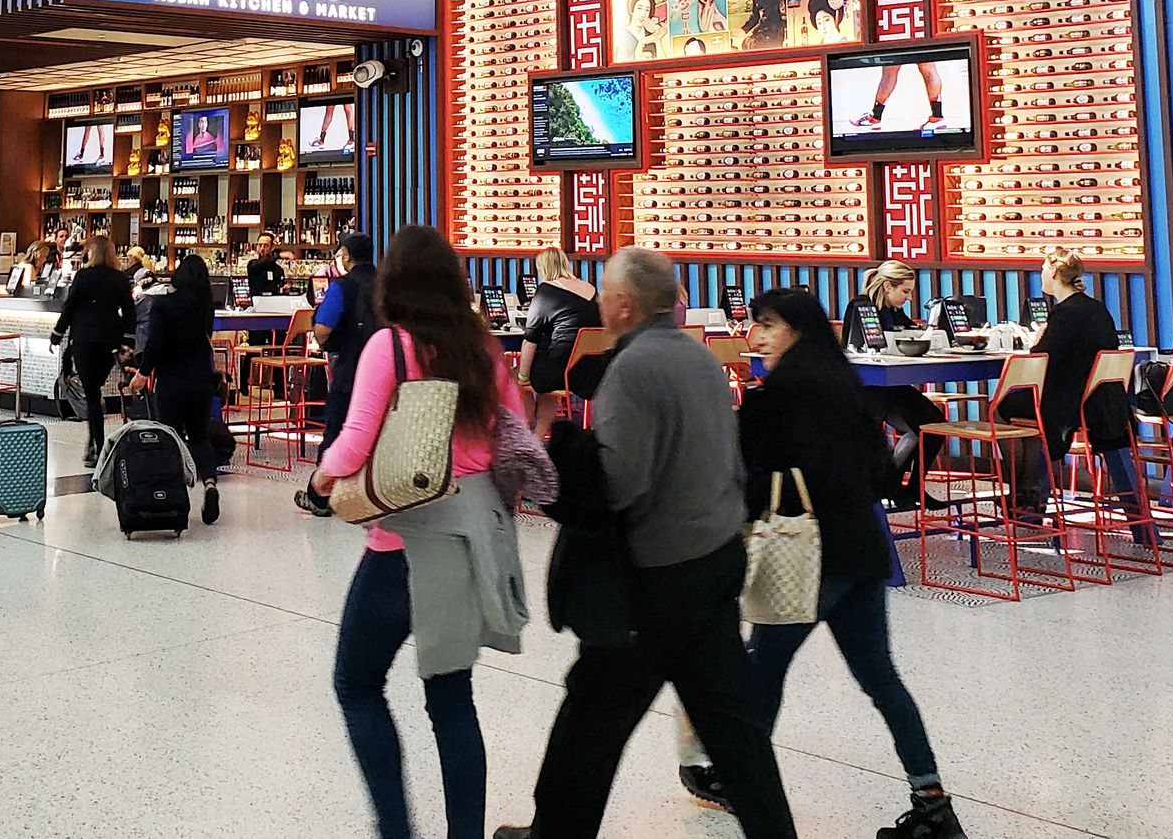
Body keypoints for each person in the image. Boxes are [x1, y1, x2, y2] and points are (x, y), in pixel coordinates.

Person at [493, 247, 797, 839]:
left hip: (652, 582)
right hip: (712, 563)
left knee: (589, 726)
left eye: (605, 292)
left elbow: (620, 482)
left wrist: (553, 472)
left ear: (624, 306)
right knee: (735, 733)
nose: (599, 300)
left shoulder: (631, 369)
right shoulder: (701, 360)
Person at [316, 225, 526, 839]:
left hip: (401, 546)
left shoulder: (393, 346)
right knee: (451, 698)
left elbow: (355, 440)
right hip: (467, 547)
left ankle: (396, 830)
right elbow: (512, 431)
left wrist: (323, 481)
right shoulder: (482, 348)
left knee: (356, 683)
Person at [734, 288, 962, 837]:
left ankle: (746, 793)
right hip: (862, 551)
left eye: (767, 324)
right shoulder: (850, 387)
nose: (754, 335)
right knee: (881, 679)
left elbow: (747, 484)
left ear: (797, 331)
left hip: (805, 558)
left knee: (759, 677)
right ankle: (933, 804)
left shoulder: (773, 398)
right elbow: (885, 476)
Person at [1016, 250, 1150, 542]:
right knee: (1026, 413)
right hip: (1107, 406)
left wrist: (1037, 340)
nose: (1040, 274)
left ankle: (1026, 496)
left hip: (1069, 406)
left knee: (1004, 409)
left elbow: (1041, 359)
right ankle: (1029, 498)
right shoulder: (1098, 309)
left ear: (1053, 273)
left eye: (1042, 268)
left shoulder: (1064, 314)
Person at [128, 250, 221, 523]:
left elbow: (155, 345)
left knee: (167, 437)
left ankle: (170, 492)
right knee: (200, 437)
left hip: (171, 380)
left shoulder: (164, 305)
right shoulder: (206, 307)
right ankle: (210, 484)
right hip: (201, 379)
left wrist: (143, 373)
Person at [296, 233, 380, 517]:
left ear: (346, 256)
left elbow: (323, 329)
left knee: (337, 430)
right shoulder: (388, 285)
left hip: (351, 367)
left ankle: (321, 497)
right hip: (387, 371)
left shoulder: (342, 287)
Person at [858, 261, 944, 506]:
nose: (908, 298)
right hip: (871, 387)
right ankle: (892, 485)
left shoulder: (894, 312)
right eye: (905, 292)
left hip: (893, 384)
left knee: (936, 425)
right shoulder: (862, 308)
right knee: (921, 428)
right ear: (887, 286)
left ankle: (912, 486)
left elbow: (912, 333)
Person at [51, 235, 134, 469]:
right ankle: (96, 444)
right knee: (96, 388)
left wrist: (57, 333)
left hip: (84, 339)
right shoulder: (119, 278)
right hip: (109, 340)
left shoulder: (83, 276)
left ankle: (95, 443)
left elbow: (69, 307)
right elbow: (129, 312)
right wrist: (128, 342)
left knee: (91, 392)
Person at [515, 245, 601, 437]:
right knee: (547, 385)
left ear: (543, 268)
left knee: (519, 380)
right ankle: (538, 437)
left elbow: (530, 339)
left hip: (560, 372)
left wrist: (522, 376)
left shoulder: (546, 291)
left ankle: (527, 436)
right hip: (591, 373)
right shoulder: (591, 289)